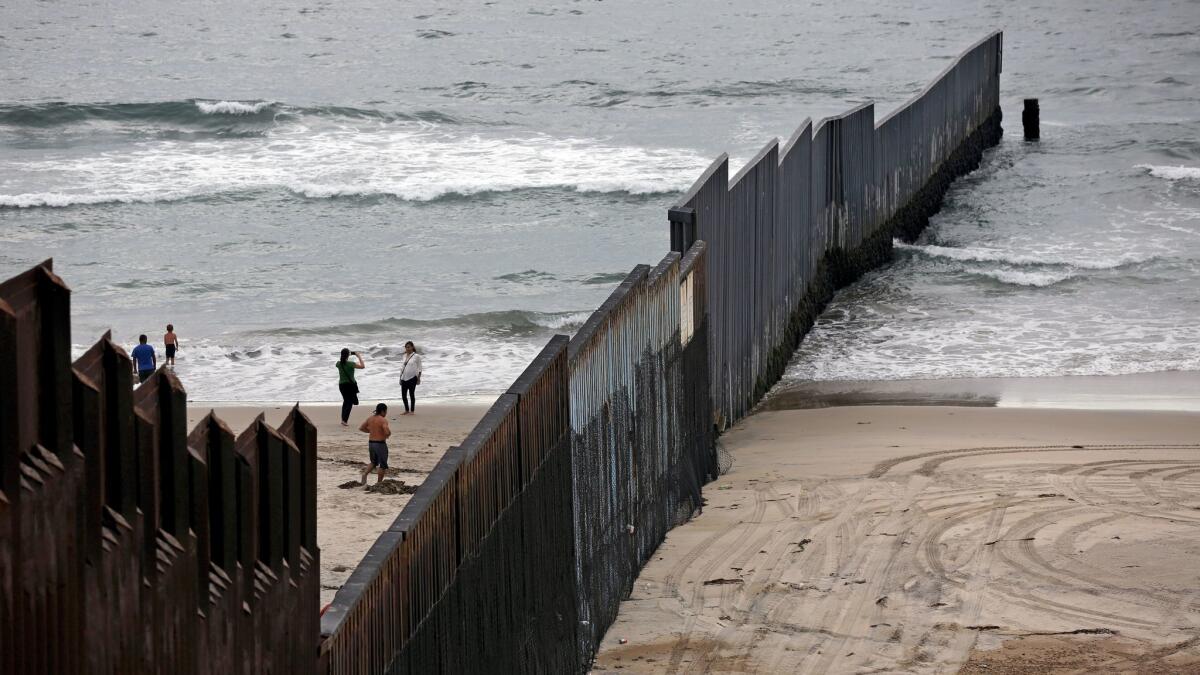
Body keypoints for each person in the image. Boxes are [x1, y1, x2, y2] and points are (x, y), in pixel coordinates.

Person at [358, 403, 391, 486]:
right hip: (380, 444)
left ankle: (364, 474)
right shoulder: (383, 420)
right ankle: (379, 483)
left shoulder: (370, 418)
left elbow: (361, 428)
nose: (386, 413)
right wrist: (387, 435)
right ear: (383, 411)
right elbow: (386, 431)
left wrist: (371, 431)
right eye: (386, 411)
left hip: (371, 443)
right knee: (383, 465)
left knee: (373, 462)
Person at [337, 348, 365, 426]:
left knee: (345, 401)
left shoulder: (338, 364)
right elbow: (363, 366)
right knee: (349, 403)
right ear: (348, 355)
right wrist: (359, 356)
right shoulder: (351, 364)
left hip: (341, 385)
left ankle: (343, 419)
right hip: (349, 385)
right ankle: (344, 420)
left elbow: (341, 361)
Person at [398, 341, 422, 415]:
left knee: (411, 394)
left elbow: (420, 368)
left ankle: (412, 411)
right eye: (406, 347)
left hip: (412, 378)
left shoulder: (416, 356)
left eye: (409, 347)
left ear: (412, 347)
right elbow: (402, 367)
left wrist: (418, 378)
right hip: (404, 377)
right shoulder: (404, 356)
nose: (407, 348)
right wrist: (400, 378)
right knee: (403, 395)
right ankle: (406, 410)